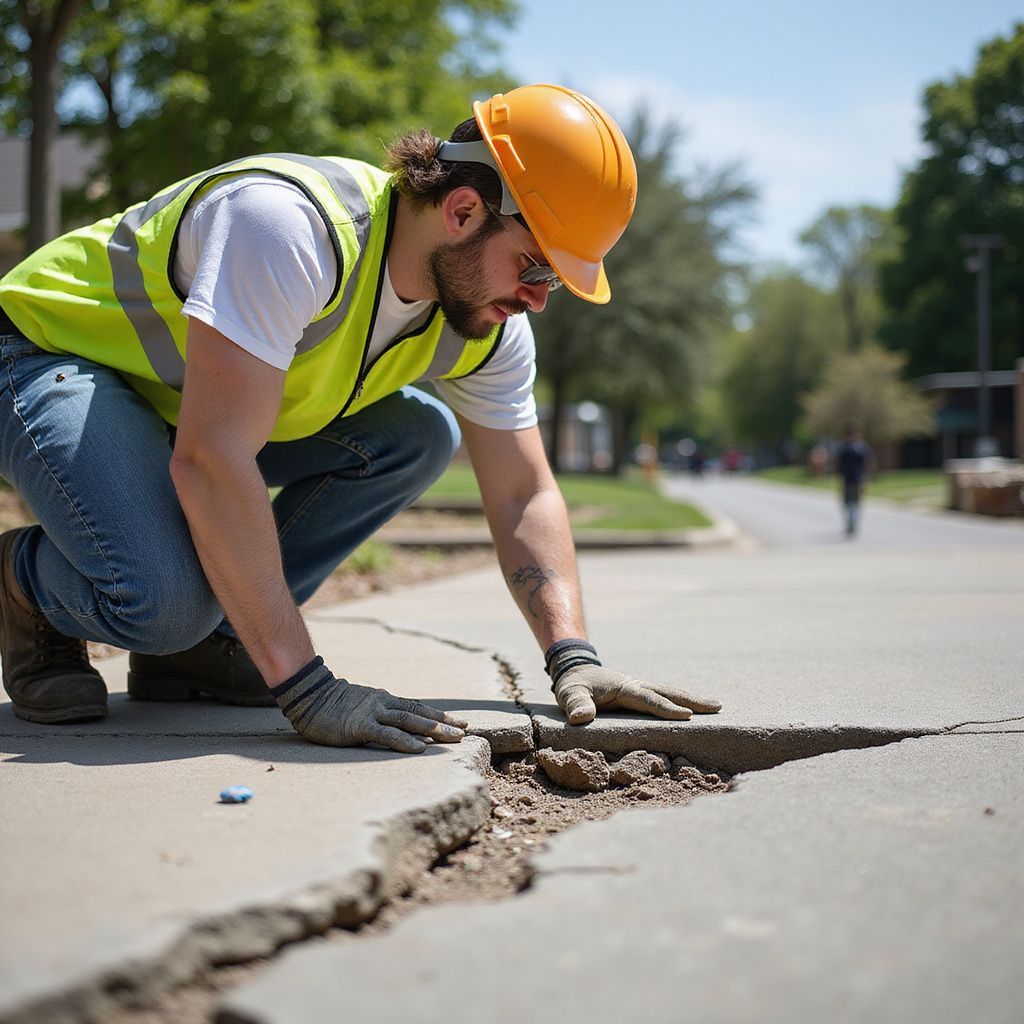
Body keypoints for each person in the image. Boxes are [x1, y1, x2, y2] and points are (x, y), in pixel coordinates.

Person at [0, 83, 721, 751]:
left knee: (417, 435)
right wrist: (305, 688)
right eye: (535, 267)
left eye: (555, 283)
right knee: (162, 606)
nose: (537, 299)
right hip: (47, 358)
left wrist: (574, 656)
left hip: (177, 409)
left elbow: (522, 490)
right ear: (463, 209)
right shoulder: (288, 229)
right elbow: (213, 459)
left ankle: (211, 648)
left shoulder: (487, 323)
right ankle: (23, 584)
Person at [834, 427, 873, 536]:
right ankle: (850, 523)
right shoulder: (844, 448)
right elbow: (838, 464)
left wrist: (867, 477)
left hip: (858, 480)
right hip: (847, 480)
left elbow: (868, 463)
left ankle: (853, 524)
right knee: (847, 503)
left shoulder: (862, 448)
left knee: (855, 503)